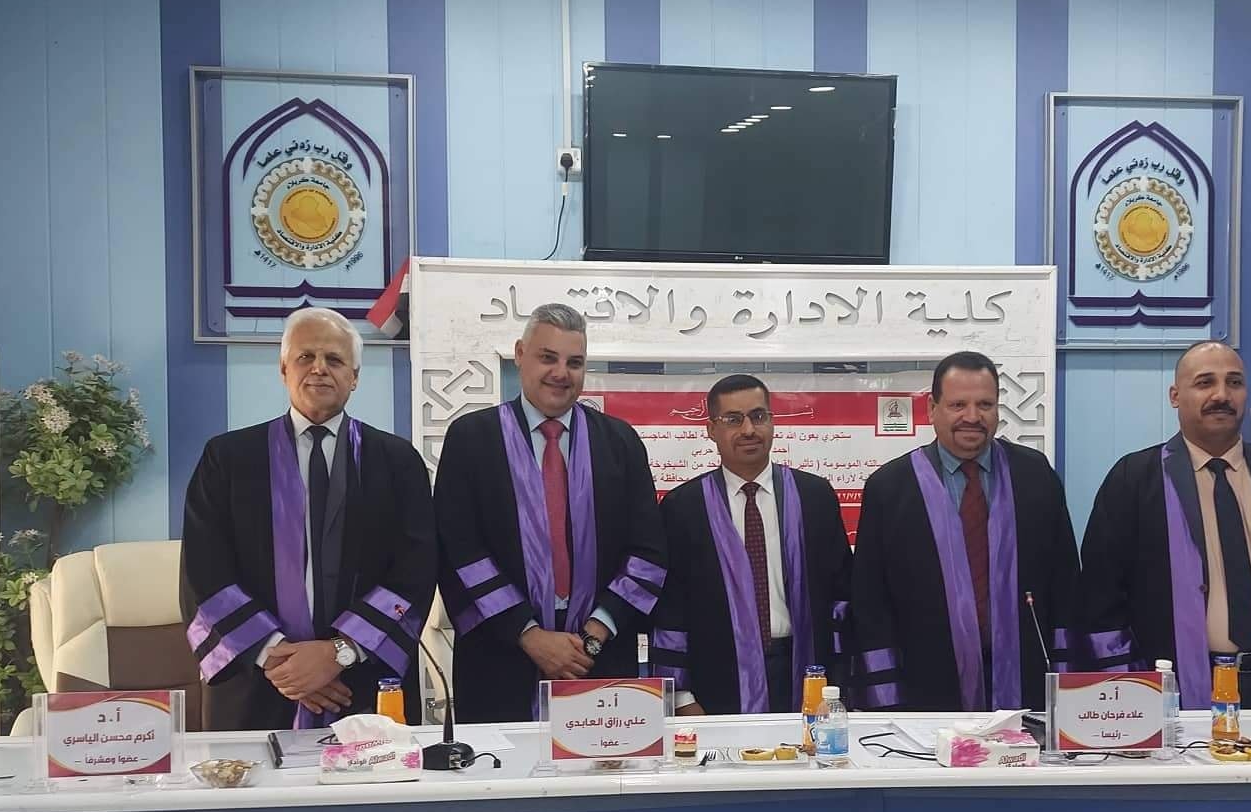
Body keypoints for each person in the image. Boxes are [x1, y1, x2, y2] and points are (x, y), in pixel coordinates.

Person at [180, 308, 437, 731]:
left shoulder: (397, 462)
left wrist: (339, 652)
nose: (319, 368)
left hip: (363, 682)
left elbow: (416, 570)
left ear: (354, 376)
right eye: (306, 357)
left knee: (372, 774)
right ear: (284, 369)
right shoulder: (227, 460)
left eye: (334, 359)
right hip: (258, 685)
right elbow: (203, 570)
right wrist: (281, 661)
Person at [1079, 340, 1251, 710]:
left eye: (1234, 382)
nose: (1221, 395)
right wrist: (1127, 688)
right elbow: (1100, 597)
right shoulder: (1133, 481)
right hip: (1172, 689)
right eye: (1204, 383)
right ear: (1175, 396)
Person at [434, 303, 666, 724]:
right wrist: (529, 635)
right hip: (499, 653)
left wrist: (594, 635)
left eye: (574, 362)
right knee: (501, 766)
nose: (561, 373)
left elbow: (648, 551)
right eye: (548, 358)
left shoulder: (620, 442)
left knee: (602, 764)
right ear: (520, 354)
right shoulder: (472, 439)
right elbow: (459, 550)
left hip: (599, 655)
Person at [850, 351, 1081, 712]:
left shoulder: (1035, 476)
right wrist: (885, 697)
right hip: (925, 687)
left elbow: (1065, 583)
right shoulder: (890, 488)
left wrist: (1066, 680)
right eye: (958, 404)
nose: (972, 417)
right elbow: (871, 603)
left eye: (984, 404)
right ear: (932, 408)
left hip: (1027, 680)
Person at [651, 375, 852, 716]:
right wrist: (682, 698)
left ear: (772, 422)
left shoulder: (814, 497)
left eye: (758, 416)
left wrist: (841, 685)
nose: (748, 430)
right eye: (733, 419)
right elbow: (671, 610)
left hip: (806, 674)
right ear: (711, 429)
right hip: (717, 682)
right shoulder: (683, 508)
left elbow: (842, 596)